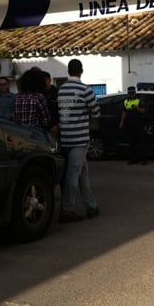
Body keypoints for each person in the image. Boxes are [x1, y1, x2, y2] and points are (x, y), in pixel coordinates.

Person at [57, 58, 100, 222]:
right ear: (81, 71)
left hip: (66, 137)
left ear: (68, 71)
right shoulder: (85, 89)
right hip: (80, 138)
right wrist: (86, 110)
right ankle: (67, 208)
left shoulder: (61, 90)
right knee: (73, 174)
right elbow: (96, 112)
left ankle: (91, 206)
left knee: (83, 173)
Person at [119, 86, 148, 165]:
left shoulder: (139, 101)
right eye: (130, 93)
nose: (131, 95)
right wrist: (121, 122)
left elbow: (144, 111)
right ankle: (133, 159)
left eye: (132, 93)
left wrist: (137, 108)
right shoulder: (125, 101)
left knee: (142, 142)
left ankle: (143, 160)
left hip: (139, 124)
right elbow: (124, 112)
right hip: (129, 125)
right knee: (132, 143)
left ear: (135, 93)